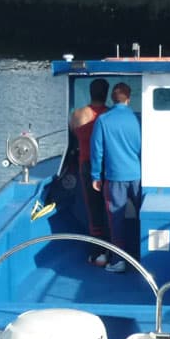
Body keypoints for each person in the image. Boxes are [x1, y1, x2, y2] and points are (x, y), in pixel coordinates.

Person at [90, 82, 142, 273]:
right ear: (128, 99)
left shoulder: (103, 120)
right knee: (141, 214)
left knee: (116, 219)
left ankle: (119, 260)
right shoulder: (137, 120)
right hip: (138, 175)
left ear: (112, 99)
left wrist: (95, 175)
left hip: (114, 177)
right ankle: (142, 253)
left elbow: (97, 151)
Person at [69, 78, 111, 265]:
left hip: (86, 164)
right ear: (107, 93)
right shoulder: (110, 115)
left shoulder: (78, 115)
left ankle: (97, 252)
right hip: (109, 166)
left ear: (90, 92)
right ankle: (113, 249)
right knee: (111, 209)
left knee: (93, 210)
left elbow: (72, 134)